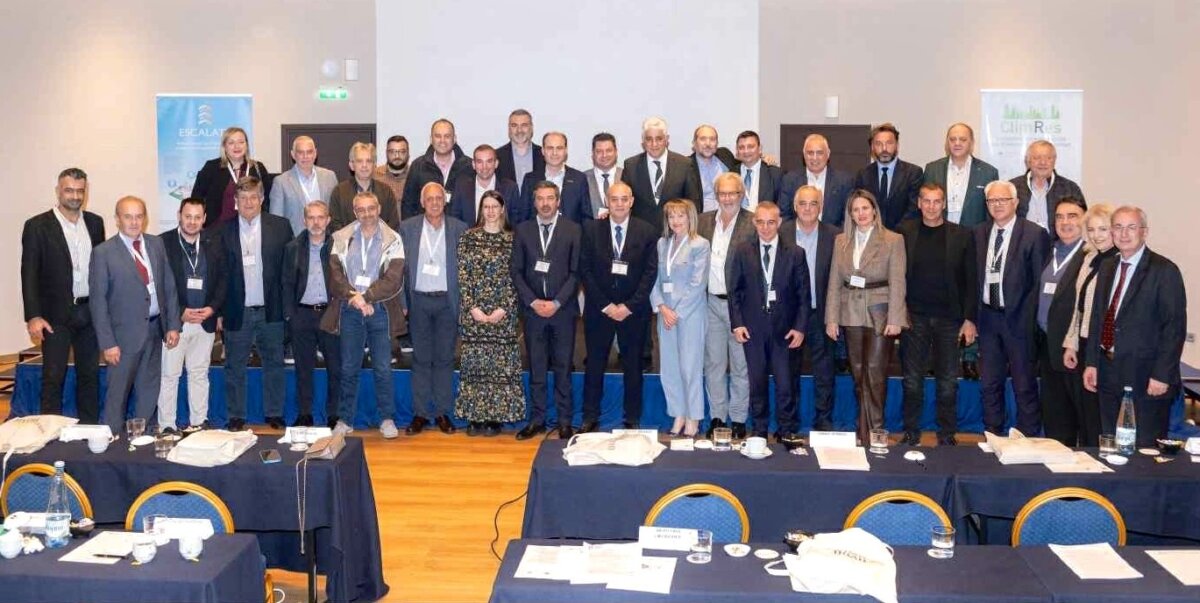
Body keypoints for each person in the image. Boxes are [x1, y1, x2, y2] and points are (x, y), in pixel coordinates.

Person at [1084, 206, 1186, 447]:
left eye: (1131, 227)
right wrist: (1092, 362)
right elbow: (1098, 317)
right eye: (1118, 227)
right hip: (1108, 372)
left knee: (1143, 448)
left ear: (1144, 232)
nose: (1124, 234)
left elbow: (1174, 328)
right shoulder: (1107, 267)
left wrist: (1162, 375)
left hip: (1146, 376)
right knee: (1110, 443)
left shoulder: (1164, 271)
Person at [89, 196, 181, 433]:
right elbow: (98, 302)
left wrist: (172, 325)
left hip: (155, 330)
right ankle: (111, 439)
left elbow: (168, 286)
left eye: (139, 216)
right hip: (122, 339)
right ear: (117, 219)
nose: (134, 222)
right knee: (117, 395)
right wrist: (108, 343)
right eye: (128, 216)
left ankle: (142, 439)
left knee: (149, 389)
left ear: (145, 218)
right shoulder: (103, 253)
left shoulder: (156, 244)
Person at [895, 183, 977, 446]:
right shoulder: (904, 232)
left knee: (948, 382)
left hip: (949, 319)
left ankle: (947, 434)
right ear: (919, 203)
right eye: (926, 201)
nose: (931, 206)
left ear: (944, 204)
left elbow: (971, 280)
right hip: (913, 318)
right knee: (912, 381)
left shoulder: (962, 235)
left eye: (937, 201)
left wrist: (969, 319)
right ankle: (911, 432)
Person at [21, 168, 105, 422]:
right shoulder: (37, 226)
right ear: (58, 191)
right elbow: (29, 273)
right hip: (54, 316)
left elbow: (100, 269)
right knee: (53, 376)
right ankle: (50, 432)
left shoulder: (95, 223)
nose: (75, 196)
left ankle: (89, 430)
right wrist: (33, 315)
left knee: (89, 376)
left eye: (80, 191)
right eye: (69, 190)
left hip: (88, 312)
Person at [323, 191, 408, 438]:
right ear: (355, 212)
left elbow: (393, 279)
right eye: (361, 210)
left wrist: (367, 297)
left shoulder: (394, 239)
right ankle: (345, 419)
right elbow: (335, 276)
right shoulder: (341, 237)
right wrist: (356, 298)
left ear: (379, 209)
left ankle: (387, 419)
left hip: (380, 310)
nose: (367, 214)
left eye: (371, 208)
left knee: (382, 368)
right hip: (350, 310)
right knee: (349, 367)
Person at [826, 189, 907, 445]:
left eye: (865, 208)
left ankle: (876, 432)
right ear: (850, 214)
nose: (861, 213)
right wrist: (831, 318)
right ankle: (864, 432)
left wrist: (896, 317)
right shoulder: (841, 240)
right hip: (850, 312)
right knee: (858, 374)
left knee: (875, 373)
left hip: (880, 312)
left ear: (874, 210)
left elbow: (898, 281)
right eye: (855, 210)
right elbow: (834, 281)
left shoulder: (893, 240)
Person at [729, 202, 810, 439]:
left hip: (784, 330)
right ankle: (760, 430)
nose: (765, 227)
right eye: (761, 222)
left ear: (779, 222)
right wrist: (737, 323)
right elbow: (734, 291)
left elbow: (804, 295)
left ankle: (786, 430)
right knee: (757, 383)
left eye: (771, 222)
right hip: (752, 328)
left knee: (785, 384)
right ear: (754, 222)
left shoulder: (795, 253)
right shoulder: (742, 251)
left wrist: (800, 328)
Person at [219, 176, 294, 431]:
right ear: (236, 201)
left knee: (274, 363)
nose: (248, 202)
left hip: (271, 309)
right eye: (243, 198)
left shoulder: (280, 227)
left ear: (262, 199)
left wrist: (288, 308)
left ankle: (274, 413)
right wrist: (219, 311)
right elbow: (219, 274)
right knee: (234, 366)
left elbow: (288, 270)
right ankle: (236, 415)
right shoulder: (223, 230)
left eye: (253, 197)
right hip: (237, 310)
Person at [974, 180, 1049, 435]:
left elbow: (1039, 283)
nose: (997, 205)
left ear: (1015, 202)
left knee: (1024, 385)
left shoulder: (1034, 234)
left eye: (1003, 199)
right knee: (989, 384)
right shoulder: (978, 233)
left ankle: (1028, 438)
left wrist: (1030, 321)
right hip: (988, 319)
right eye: (992, 200)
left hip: (1020, 321)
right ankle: (992, 434)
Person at [581, 182, 658, 430]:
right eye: (614, 199)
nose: (619, 204)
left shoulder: (647, 231)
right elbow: (585, 270)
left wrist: (628, 306)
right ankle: (590, 417)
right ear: (607, 201)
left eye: (624, 199)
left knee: (633, 366)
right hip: (598, 310)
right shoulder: (591, 229)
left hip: (633, 312)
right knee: (595, 365)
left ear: (632, 201)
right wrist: (605, 305)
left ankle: (632, 418)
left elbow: (650, 273)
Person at [513, 182, 583, 439]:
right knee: (537, 368)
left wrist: (556, 303)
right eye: (540, 199)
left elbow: (576, 272)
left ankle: (564, 421)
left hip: (562, 311)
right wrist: (533, 302)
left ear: (558, 201)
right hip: (533, 312)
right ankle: (537, 419)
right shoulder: (523, 230)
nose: (545, 203)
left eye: (550, 198)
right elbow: (516, 271)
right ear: (534, 202)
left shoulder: (573, 230)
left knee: (563, 368)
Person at [400, 183, 467, 436]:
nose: (435, 203)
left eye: (439, 198)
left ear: (445, 201)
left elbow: (465, 271)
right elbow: (399, 269)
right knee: (420, 358)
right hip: (418, 301)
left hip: (447, 302)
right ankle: (420, 413)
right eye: (430, 199)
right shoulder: (407, 228)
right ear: (422, 202)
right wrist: (402, 303)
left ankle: (441, 412)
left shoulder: (459, 228)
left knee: (444, 358)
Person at [457, 191, 524, 436]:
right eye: (486, 206)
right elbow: (463, 275)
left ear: (502, 209)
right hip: (474, 313)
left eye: (495, 206)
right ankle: (475, 417)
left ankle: (495, 418)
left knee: (499, 366)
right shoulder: (468, 238)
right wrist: (472, 307)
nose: (491, 211)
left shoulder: (513, 240)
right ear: (481, 210)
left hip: (503, 313)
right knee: (475, 365)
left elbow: (518, 277)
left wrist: (504, 308)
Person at [158, 197, 226, 433]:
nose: (192, 222)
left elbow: (223, 280)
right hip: (175, 323)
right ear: (179, 215)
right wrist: (180, 312)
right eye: (188, 216)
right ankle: (167, 425)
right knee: (170, 375)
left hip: (205, 321)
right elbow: (159, 284)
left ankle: (198, 422)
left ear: (204, 219)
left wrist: (213, 309)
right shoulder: (162, 243)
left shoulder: (214, 242)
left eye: (197, 217)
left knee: (199, 374)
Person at [698, 173, 756, 439]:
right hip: (710, 302)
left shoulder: (752, 222)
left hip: (740, 307)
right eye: (723, 193)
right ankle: (718, 417)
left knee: (741, 365)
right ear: (716, 195)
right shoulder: (703, 221)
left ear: (741, 195)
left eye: (733, 193)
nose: (728, 198)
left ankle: (739, 418)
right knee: (714, 364)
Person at [779, 185, 840, 432]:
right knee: (787, 373)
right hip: (788, 316)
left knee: (825, 373)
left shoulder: (835, 236)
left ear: (821, 207)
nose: (807, 208)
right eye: (802, 203)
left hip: (822, 314)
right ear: (795, 206)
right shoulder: (781, 232)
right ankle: (789, 425)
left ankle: (823, 422)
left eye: (813, 203)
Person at [651, 200, 711, 437]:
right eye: (671, 216)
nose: (675, 221)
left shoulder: (700, 244)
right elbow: (654, 279)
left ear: (690, 218)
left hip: (690, 314)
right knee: (670, 368)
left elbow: (698, 284)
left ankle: (694, 416)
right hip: (665, 314)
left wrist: (676, 312)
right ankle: (678, 413)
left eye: (680, 216)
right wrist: (661, 306)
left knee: (689, 368)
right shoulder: (662, 243)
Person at [281, 200, 342, 429]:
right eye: (311, 218)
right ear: (304, 221)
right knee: (303, 368)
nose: (316, 223)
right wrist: (290, 315)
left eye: (320, 217)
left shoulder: (339, 247)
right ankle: (305, 413)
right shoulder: (293, 248)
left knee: (335, 367)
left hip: (330, 313)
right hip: (302, 315)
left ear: (328, 220)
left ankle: (334, 414)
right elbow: (286, 283)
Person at [1035, 197, 1089, 446]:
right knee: (1055, 411)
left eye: (1072, 216)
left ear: (1084, 220)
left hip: (1074, 348)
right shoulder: (1048, 251)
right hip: (1047, 344)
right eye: (1059, 217)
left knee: (1080, 411)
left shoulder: (1091, 257)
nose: (1065, 222)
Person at [1062, 203, 1117, 447]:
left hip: (1105, 348)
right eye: (1092, 230)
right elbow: (1079, 306)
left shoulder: (1119, 262)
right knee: (1084, 409)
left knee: (1099, 411)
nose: (1097, 235)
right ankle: (1086, 454)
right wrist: (1071, 343)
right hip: (1084, 342)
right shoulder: (1089, 258)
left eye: (1103, 229)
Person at [622, 117, 702, 231]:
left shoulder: (684, 164)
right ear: (643, 141)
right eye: (649, 139)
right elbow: (624, 201)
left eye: (659, 139)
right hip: (641, 234)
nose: (654, 144)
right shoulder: (631, 165)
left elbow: (693, 203)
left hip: (675, 233)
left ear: (667, 139)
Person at [922, 123, 999, 230]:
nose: (957, 143)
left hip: (973, 235)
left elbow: (991, 212)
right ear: (947, 143)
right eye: (952, 139)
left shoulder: (988, 173)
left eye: (963, 139)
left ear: (971, 143)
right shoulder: (932, 169)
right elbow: (924, 203)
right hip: (938, 233)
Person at [191, 126, 272, 228]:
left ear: (246, 145)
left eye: (241, 142)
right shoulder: (211, 167)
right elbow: (196, 199)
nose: (237, 146)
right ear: (224, 146)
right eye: (231, 143)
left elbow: (267, 199)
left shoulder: (258, 168)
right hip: (218, 230)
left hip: (251, 228)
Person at [852, 123, 923, 229]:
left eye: (889, 143)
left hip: (903, 234)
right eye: (878, 144)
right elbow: (859, 208)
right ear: (872, 147)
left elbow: (913, 210)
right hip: (871, 233)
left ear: (897, 145)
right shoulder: (863, 175)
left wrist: (892, 235)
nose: (884, 148)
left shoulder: (913, 173)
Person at [401, 118, 473, 219]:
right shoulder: (418, 166)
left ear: (454, 139)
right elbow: (408, 205)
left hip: (460, 227)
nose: (442, 141)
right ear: (431, 139)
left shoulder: (468, 166)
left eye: (447, 136)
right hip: (425, 227)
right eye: (438, 136)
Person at [1012, 140, 1086, 234]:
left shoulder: (1070, 188)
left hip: (1058, 242)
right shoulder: (1013, 187)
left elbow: (1084, 220)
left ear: (1054, 161)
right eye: (1037, 158)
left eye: (1048, 158)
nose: (1043, 162)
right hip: (1022, 242)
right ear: (1028, 161)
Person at [780, 134, 854, 227]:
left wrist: (836, 235)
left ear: (828, 154)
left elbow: (848, 218)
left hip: (835, 235)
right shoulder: (789, 180)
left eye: (819, 153)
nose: (814, 158)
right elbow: (784, 216)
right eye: (810, 153)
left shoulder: (844, 182)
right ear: (804, 155)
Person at [269, 135, 338, 235]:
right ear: (293, 154)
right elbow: (276, 221)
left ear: (315, 153)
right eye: (300, 152)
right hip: (294, 241)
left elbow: (336, 215)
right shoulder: (281, 182)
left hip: (325, 240)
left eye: (309, 152)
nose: (305, 156)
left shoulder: (329, 177)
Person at [520, 132, 591, 225]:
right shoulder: (530, 179)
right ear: (543, 151)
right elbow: (523, 217)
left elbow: (586, 217)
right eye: (550, 148)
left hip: (571, 233)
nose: (554, 153)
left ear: (565, 151)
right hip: (536, 233)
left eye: (559, 148)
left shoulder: (579, 179)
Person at [330, 142, 400, 233]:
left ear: (374, 165)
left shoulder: (386, 192)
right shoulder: (339, 192)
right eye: (359, 161)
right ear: (351, 165)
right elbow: (335, 225)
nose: (364, 165)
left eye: (369, 161)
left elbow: (393, 224)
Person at [449, 144, 521, 226]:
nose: (484, 167)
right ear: (473, 164)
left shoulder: (510, 188)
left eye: (489, 161)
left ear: (496, 163)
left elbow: (515, 222)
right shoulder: (462, 186)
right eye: (480, 162)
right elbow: (455, 219)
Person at [734, 130, 785, 216]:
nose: (746, 151)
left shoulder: (775, 174)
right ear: (737, 150)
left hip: (764, 222)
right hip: (738, 223)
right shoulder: (731, 173)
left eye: (750, 147)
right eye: (741, 147)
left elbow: (781, 207)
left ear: (760, 148)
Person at [689, 125, 737, 212]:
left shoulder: (726, 156)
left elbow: (743, 163)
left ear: (717, 143)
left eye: (712, 139)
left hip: (729, 215)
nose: (708, 144)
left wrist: (761, 159)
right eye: (703, 139)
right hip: (701, 218)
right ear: (694, 143)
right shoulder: (686, 166)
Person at [496, 109, 544, 194]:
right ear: (509, 128)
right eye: (514, 125)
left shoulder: (544, 155)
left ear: (531, 128)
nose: (519, 130)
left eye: (524, 125)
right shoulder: (496, 156)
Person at [583, 133, 622, 220]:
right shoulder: (582, 179)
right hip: (590, 228)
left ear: (616, 152)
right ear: (593, 154)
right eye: (599, 151)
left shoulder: (628, 176)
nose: (604, 155)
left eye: (609, 150)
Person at [374, 135, 411, 202]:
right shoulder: (375, 176)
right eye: (392, 152)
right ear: (386, 153)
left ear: (408, 153)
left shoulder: (415, 174)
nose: (397, 156)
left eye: (402, 152)